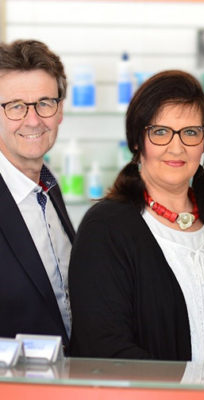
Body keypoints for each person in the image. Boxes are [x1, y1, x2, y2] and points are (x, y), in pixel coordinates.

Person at [69, 70, 204, 362]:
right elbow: (104, 346)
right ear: (137, 141)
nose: (177, 147)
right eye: (160, 132)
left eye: (191, 132)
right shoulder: (106, 227)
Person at [0, 40, 74, 350]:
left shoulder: (49, 189)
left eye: (45, 102)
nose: (33, 120)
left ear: (59, 112)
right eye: (16, 105)